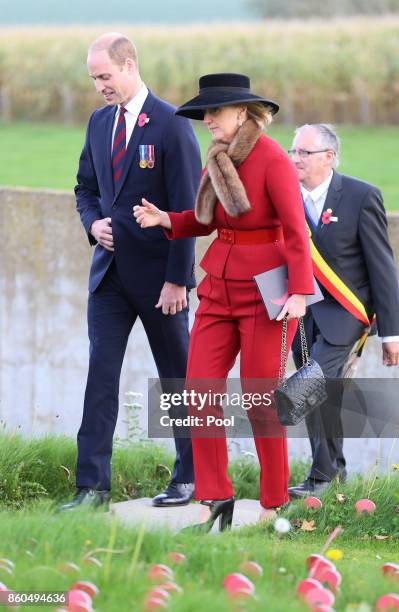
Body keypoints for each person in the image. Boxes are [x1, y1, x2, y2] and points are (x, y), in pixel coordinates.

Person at [133, 73, 314, 530]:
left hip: (267, 291)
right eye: (204, 114)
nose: (207, 120)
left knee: (260, 399)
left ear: (242, 113)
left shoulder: (272, 158)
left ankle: (276, 501)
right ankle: (215, 498)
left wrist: (299, 292)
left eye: (214, 112)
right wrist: (166, 219)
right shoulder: (216, 157)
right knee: (199, 391)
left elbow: (296, 230)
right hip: (218, 285)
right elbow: (205, 220)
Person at [59, 33, 202, 511]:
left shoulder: (172, 124)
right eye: (94, 78)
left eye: (105, 75)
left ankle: (191, 478)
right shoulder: (98, 123)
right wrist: (92, 223)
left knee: (177, 380)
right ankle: (91, 489)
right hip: (108, 280)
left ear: (129, 65)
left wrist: (179, 278)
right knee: (100, 378)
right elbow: (84, 189)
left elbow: (188, 207)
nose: (100, 85)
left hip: (162, 281)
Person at [287, 123, 399, 498]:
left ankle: (320, 478)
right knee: (323, 391)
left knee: (311, 383)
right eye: (294, 152)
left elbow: (383, 268)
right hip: (301, 312)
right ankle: (334, 472)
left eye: (304, 153)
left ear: (329, 157)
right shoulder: (285, 196)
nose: (296, 159)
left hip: (346, 313)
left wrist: (391, 334)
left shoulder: (361, 195)